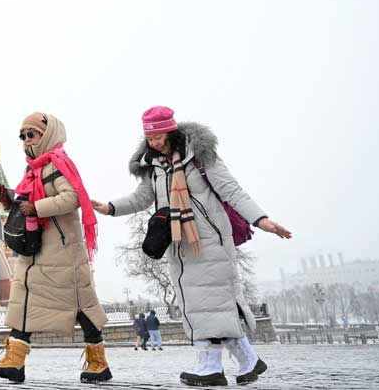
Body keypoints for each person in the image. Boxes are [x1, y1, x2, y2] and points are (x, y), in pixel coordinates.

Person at [92, 107, 292, 386]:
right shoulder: (154, 167)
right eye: (150, 138)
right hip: (178, 242)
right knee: (196, 303)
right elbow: (142, 198)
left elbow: (231, 190)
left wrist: (262, 220)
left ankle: (211, 365)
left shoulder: (199, 156)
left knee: (214, 301)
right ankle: (246, 359)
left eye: (159, 136)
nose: (155, 143)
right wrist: (111, 207)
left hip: (209, 239)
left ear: (170, 131)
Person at [0, 112, 112, 384]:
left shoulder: (57, 164)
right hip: (37, 248)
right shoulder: (34, 169)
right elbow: (25, 204)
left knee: (80, 306)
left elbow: (74, 197)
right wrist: (8, 202)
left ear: (48, 134)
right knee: (25, 300)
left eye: (32, 134)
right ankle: (14, 362)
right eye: (23, 136)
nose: (26, 140)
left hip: (62, 250)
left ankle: (98, 363)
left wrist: (37, 207)